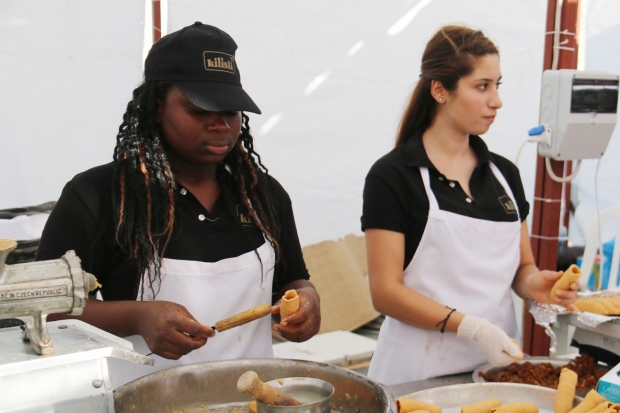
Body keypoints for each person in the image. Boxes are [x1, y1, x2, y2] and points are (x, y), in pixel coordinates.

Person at [36, 22, 321, 370]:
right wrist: (135, 316)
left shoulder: (262, 195)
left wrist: (307, 300)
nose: (220, 124)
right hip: (138, 399)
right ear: (156, 106)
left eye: (230, 110)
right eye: (199, 110)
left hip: (248, 399)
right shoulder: (100, 197)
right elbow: (46, 306)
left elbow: (293, 280)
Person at [361, 25, 577, 385]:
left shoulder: (504, 175)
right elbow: (385, 292)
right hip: (416, 378)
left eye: (498, 85)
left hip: (496, 373)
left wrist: (537, 283)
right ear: (439, 90)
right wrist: (472, 328)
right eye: (482, 86)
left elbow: (522, 267)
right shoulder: (394, 176)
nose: (497, 101)